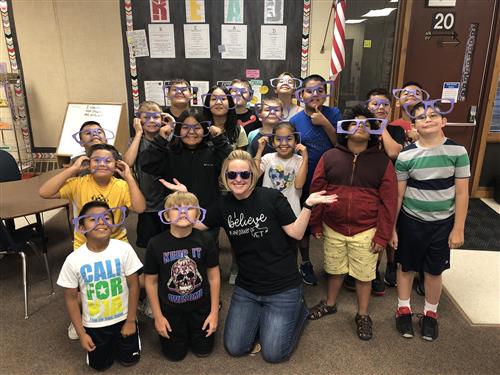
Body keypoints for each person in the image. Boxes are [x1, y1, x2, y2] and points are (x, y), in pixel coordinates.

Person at [164, 150, 337, 363]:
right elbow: (197, 224)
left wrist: (308, 205)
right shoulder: (223, 205)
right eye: (232, 175)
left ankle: (299, 310)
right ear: (225, 177)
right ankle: (267, 317)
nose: (238, 180)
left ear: (253, 176)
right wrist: (185, 198)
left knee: (274, 354)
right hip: (248, 287)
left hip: (282, 287)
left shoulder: (271, 197)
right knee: (235, 347)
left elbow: (296, 233)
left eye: (244, 175)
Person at [307, 105, 397, 341]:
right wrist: (315, 223)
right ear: (344, 128)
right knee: (334, 269)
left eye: (366, 123)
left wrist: (383, 235)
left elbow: (389, 202)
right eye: (354, 123)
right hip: (333, 225)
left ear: (374, 130)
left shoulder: (382, 162)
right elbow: (317, 191)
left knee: (364, 274)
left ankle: (363, 314)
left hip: (367, 229)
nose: (360, 127)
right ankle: (330, 303)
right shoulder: (330, 157)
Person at [391, 101, 470, 342]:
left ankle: (430, 314)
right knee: (406, 267)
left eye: (433, 115)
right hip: (411, 220)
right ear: (413, 125)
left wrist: (458, 229)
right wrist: (392, 228)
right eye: (421, 117)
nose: (428, 119)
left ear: (443, 121)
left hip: (442, 223)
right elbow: (398, 194)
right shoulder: (406, 154)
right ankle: (403, 309)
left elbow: (461, 193)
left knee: (434, 271)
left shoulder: (458, 151)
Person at [57, 201, 143, 371]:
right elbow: (71, 299)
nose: (101, 221)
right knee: (99, 365)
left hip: (124, 319)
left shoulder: (124, 249)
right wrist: (82, 333)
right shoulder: (73, 260)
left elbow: (134, 286)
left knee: (130, 360)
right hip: (94, 326)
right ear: (81, 227)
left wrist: (131, 320)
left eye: (106, 217)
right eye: (92, 219)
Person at [144, 192, 220, 361]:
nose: (183, 212)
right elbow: (151, 282)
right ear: (166, 215)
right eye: (176, 208)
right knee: (175, 356)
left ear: (198, 214)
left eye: (189, 208)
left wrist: (214, 312)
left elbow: (214, 277)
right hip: (170, 312)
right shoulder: (155, 244)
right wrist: (158, 316)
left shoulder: (206, 240)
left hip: (201, 309)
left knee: (204, 351)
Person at [140, 108, 232, 244]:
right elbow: (147, 165)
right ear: (178, 129)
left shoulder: (212, 151)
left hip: (206, 217)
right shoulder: (169, 152)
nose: (191, 132)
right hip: (176, 217)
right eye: (185, 127)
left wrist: (219, 139)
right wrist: (160, 139)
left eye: (197, 127)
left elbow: (231, 164)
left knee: (208, 256)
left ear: (205, 129)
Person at [39, 143, 146, 249]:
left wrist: (129, 177)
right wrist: (73, 169)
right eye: (96, 160)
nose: (102, 164)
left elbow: (140, 208)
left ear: (116, 166)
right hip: (84, 243)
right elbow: (45, 192)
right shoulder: (78, 184)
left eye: (108, 161)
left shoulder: (122, 186)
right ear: (89, 165)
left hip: (115, 240)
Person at [289, 74, 342, 285]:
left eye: (320, 90)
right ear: (302, 95)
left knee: (332, 220)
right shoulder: (295, 120)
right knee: (306, 224)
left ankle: (335, 264)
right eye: (310, 91)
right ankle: (306, 262)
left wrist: (325, 123)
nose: (315, 94)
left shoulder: (334, 113)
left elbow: (340, 143)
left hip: (332, 176)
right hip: (306, 176)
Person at [364, 88, 406, 294]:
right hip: (369, 182)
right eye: (375, 104)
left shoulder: (396, 130)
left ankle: (388, 265)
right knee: (373, 226)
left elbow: (393, 152)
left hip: (392, 183)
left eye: (385, 105)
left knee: (389, 223)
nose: (380, 108)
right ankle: (372, 271)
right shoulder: (363, 128)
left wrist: (381, 127)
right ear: (367, 107)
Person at [123, 101, 174, 248]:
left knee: (170, 240)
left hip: (167, 198)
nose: (151, 121)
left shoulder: (168, 138)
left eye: (156, 117)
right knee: (149, 242)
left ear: (162, 118)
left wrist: (171, 126)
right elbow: (128, 162)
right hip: (147, 202)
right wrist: (138, 133)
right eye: (146, 117)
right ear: (139, 120)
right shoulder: (136, 141)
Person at [254, 122, 307, 217]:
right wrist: (259, 150)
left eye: (289, 139)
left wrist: (305, 157)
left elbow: (298, 185)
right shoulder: (268, 158)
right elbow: (254, 177)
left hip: (292, 211)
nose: (283, 143)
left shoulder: (300, 160)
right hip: (268, 210)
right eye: (278, 139)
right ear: (273, 142)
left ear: (296, 142)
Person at [203, 85, 248, 150]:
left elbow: (239, 158)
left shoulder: (238, 130)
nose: (218, 102)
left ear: (230, 103)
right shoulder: (200, 128)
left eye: (223, 99)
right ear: (208, 103)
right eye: (213, 99)